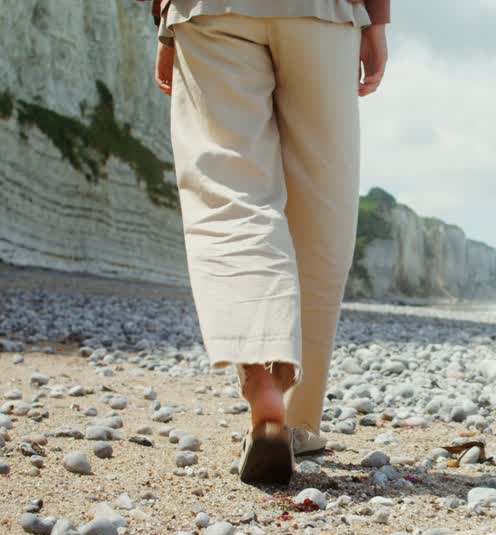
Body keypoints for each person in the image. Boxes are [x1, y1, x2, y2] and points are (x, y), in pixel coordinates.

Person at [142, 0, 390, 485]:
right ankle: (296, 419)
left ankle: (263, 388)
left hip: (210, 10)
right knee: (322, 204)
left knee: (227, 191)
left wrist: (165, 21)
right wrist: (377, 22)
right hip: (324, 10)